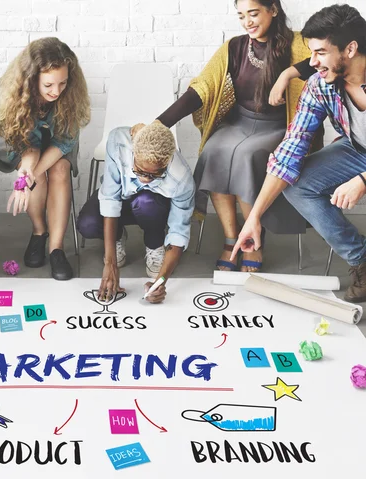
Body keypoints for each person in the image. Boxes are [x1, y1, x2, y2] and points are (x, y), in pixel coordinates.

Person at [148, 0, 322, 273]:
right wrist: (160, 123)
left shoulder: (299, 43)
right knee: (213, 150)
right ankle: (232, 239)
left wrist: (289, 73)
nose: (247, 22)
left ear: (273, 10)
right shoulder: (235, 47)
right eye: (241, 16)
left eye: (253, 13)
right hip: (239, 122)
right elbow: (202, 88)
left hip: (280, 126)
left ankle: (253, 238)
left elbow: (327, 57)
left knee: (246, 155)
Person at [233, 4, 366, 303]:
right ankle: (362, 259)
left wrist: (363, 180)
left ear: (350, 49)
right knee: (298, 184)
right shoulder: (321, 86)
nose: (312, 62)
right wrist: (254, 217)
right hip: (357, 149)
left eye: (320, 52)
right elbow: (291, 148)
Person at [0, 37, 91, 281]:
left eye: (63, 83)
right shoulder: (9, 93)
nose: (56, 91)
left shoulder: (70, 95)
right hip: (19, 143)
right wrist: (28, 171)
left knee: (59, 170)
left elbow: (65, 141)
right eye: (48, 84)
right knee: (35, 174)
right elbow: (25, 145)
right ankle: (39, 232)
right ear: (32, 78)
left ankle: (56, 248)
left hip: (58, 142)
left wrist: (30, 176)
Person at [77, 121, 195, 304]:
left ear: (167, 161)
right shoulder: (118, 142)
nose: (145, 179)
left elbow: (178, 233)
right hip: (121, 199)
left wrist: (160, 282)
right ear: (133, 152)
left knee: (146, 201)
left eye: (155, 175)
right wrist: (111, 264)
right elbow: (110, 198)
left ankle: (155, 243)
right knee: (88, 224)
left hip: (152, 209)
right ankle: (116, 236)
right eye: (139, 170)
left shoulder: (182, 178)